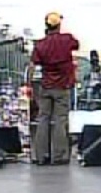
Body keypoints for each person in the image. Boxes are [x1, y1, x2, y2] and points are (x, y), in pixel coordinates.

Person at [29, 12, 79, 165]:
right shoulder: (67, 39)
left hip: (45, 86)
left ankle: (40, 156)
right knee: (60, 120)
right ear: (59, 25)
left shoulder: (40, 44)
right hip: (62, 86)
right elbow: (76, 45)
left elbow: (34, 64)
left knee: (43, 119)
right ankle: (58, 156)